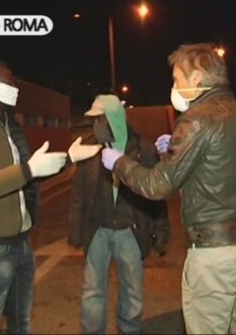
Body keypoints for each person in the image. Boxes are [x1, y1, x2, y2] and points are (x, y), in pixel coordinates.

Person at [101, 43, 236, 334]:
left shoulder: (196, 119)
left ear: (197, 78)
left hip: (215, 255)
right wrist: (174, 150)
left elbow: (156, 185)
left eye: (177, 79)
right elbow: (218, 167)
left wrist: (119, 163)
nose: (174, 86)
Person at [0, 60, 100, 334]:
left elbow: (29, 173)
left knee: (21, 319)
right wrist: (28, 169)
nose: (15, 88)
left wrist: (69, 158)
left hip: (21, 240)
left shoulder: (5, 124)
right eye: (9, 82)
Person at [68, 94, 169, 334]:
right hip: (98, 230)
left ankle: (129, 329)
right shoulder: (89, 150)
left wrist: (161, 231)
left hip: (131, 232)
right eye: (94, 120)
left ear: (113, 118)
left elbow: (156, 195)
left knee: (132, 291)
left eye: (100, 119)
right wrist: (75, 230)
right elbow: (79, 193)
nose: (96, 125)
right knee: (92, 291)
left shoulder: (142, 148)